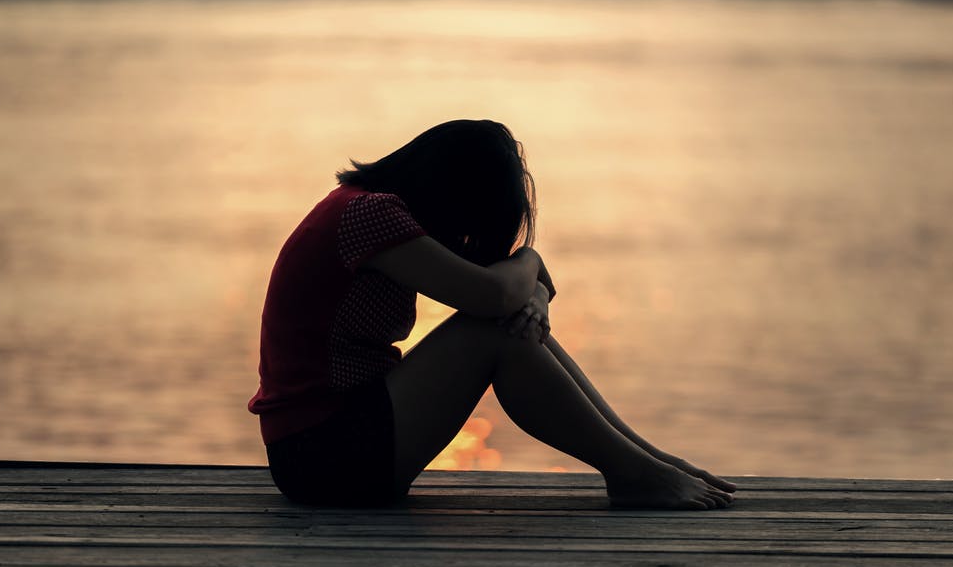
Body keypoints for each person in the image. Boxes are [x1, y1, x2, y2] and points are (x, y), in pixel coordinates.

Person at [249, 119, 736, 509]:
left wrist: (535, 296)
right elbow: (493, 294)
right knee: (491, 332)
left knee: (504, 326)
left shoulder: (367, 211)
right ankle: (637, 473)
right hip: (321, 456)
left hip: (335, 446)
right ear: (452, 190)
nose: (465, 237)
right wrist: (530, 260)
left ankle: (646, 462)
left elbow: (508, 293)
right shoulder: (370, 215)